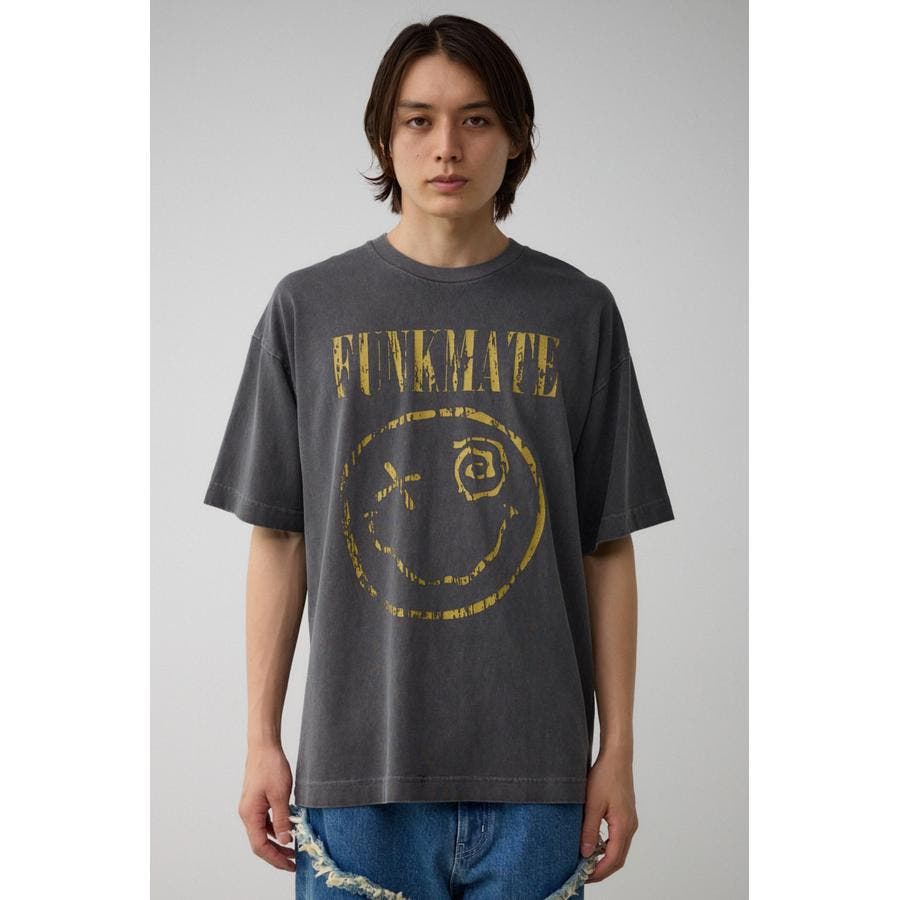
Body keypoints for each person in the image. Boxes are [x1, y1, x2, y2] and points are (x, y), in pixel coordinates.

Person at [203, 14, 674, 899]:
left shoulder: (579, 312)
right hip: (357, 780)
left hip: (540, 783)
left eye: (477, 119)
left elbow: (606, 545)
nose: (447, 147)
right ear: (385, 137)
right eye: (418, 120)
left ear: (516, 137)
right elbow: (281, 535)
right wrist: (261, 739)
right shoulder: (308, 308)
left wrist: (618, 751)